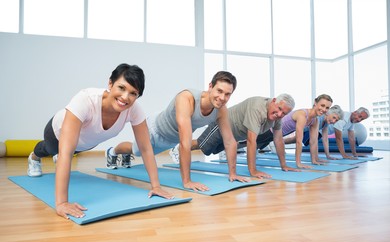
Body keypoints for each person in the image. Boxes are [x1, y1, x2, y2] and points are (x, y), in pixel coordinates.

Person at [27, 63, 174, 220]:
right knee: (50, 150)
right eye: (121, 88)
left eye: (133, 93)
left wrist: (156, 187)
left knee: (70, 151)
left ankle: (55, 156)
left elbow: (145, 148)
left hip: (84, 143)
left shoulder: (134, 109)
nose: (125, 97)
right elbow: (66, 152)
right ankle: (34, 157)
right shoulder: (86, 100)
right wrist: (62, 203)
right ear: (110, 84)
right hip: (56, 133)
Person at [109, 71, 249, 192]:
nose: (222, 98)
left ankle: (124, 155)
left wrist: (233, 173)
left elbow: (229, 141)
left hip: (171, 139)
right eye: (219, 91)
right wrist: (187, 181)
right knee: (136, 151)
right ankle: (112, 152)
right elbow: (185, 143)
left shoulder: (221, 111)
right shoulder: (187, 98)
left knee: (141, 152)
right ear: (210, 86)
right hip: (155, 129)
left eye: (227, 94)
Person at [170, 94, 300, 178]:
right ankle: (177, 147)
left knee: (210, 150)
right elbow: (251, 141)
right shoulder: (257, 108)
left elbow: (278, 139)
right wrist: (252, 171)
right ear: (273, 101)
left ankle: (182, 146)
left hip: (233, 136)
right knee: (202, 144)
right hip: (221, 124)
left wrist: (284, 165)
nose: (279, 114)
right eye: (279, 109)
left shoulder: (278, 117)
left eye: (284, 113)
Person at [256, 94, 334, 168]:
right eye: (322, 105)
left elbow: (313, 141)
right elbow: (298, 141)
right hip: (269, 130)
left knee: (258, 145)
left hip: (278, 134)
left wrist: (314, 160)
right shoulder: (302, 115)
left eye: (327, 108)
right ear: (315, 103)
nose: (324, 109)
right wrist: (298, 163)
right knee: (246, 143)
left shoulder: (315, 120)